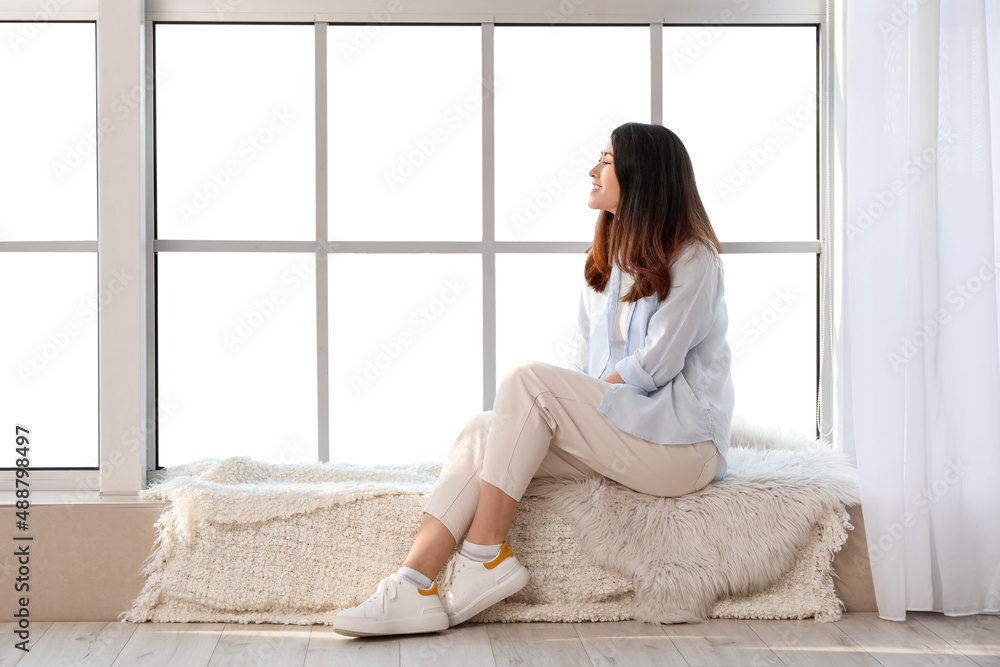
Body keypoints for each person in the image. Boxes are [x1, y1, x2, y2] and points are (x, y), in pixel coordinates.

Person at [332, 121, 735, 637]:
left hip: (683, 448)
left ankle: (484, 555)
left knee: (527, 383)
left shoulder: (695, 258)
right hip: (626, 431)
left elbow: (654, 368)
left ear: (642, 175)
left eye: (607, 161)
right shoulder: (608, 265)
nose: (593, 170)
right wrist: (561, 409)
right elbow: (583, 367)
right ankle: (414, 584)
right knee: (486, 429)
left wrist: (562, 404)